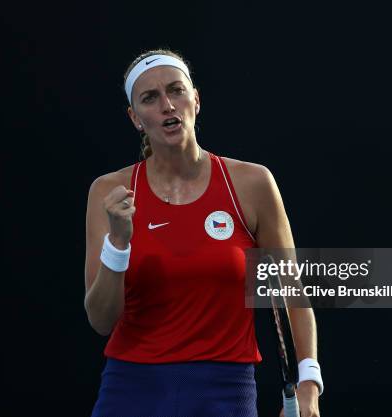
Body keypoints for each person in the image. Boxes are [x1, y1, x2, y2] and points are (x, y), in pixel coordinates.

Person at [85, 49, 322, 417]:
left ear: (195, 98)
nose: (167, 105)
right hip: (129, 392)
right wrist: (118, 243)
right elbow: (101, 320)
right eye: (150, 98)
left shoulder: (252, 182)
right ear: (135, 118)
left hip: (225, 395)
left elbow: (292, 292)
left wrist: (308, 384)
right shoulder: (108, 192)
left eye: (176, 90)